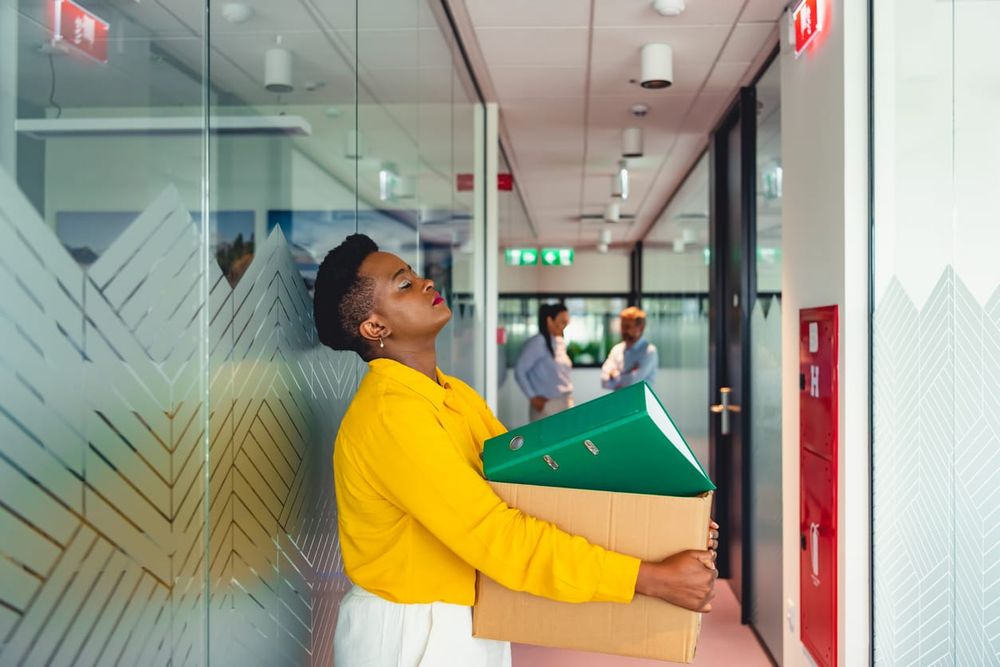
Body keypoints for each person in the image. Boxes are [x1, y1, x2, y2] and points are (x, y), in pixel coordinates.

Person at [313, 234, 718, 666]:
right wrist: (649, 577)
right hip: (411, 634)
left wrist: (662, 531)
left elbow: (529, 490)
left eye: (414, 274)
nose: (426, 282)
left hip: (464, 617)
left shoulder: (454, 395)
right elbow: (497, 536)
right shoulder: (391, 417)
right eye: (404, 284)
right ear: (375, 328)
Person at [514, 302, 574, 422]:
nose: (564, 326)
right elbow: (520, 371)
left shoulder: (558, 342)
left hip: (564, 402)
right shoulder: (538, 342)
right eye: (561, 322)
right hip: (547, 406)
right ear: (549, 321)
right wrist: (533, 397)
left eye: (566, 323)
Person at [601, 306, 659, 391]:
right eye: (622, 326)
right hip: (618, 401)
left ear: (641, 328)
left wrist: (614, 374)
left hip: (639, 402)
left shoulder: (649, 351)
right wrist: (628, 374)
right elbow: (604, 380)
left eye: (628, 326)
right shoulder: (616, 349)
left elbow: (632, 383)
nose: (624, 331)